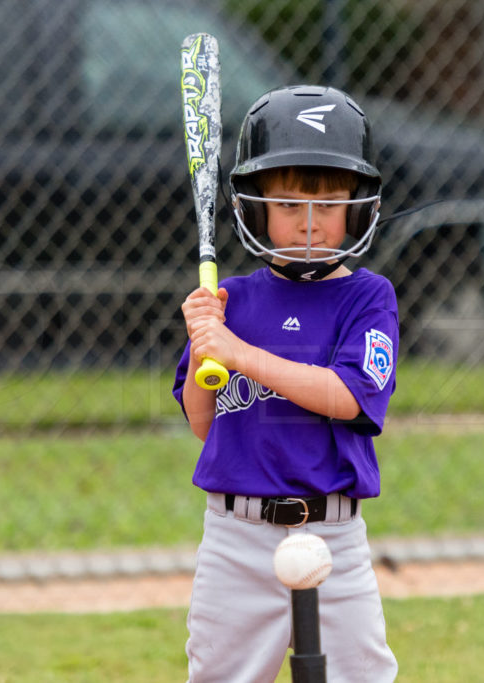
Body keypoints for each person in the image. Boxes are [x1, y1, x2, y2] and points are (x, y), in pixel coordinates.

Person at [173, 84, 399, 682]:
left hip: (335, 535)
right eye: (289, 205)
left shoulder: (368, 298)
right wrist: (204, 345)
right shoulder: (233, 300)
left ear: (357, 208)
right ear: (255, 208)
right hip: (235, 540)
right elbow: (202, 422)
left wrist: (240, 352)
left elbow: (349, 397)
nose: (307, 225)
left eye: (327, 206)